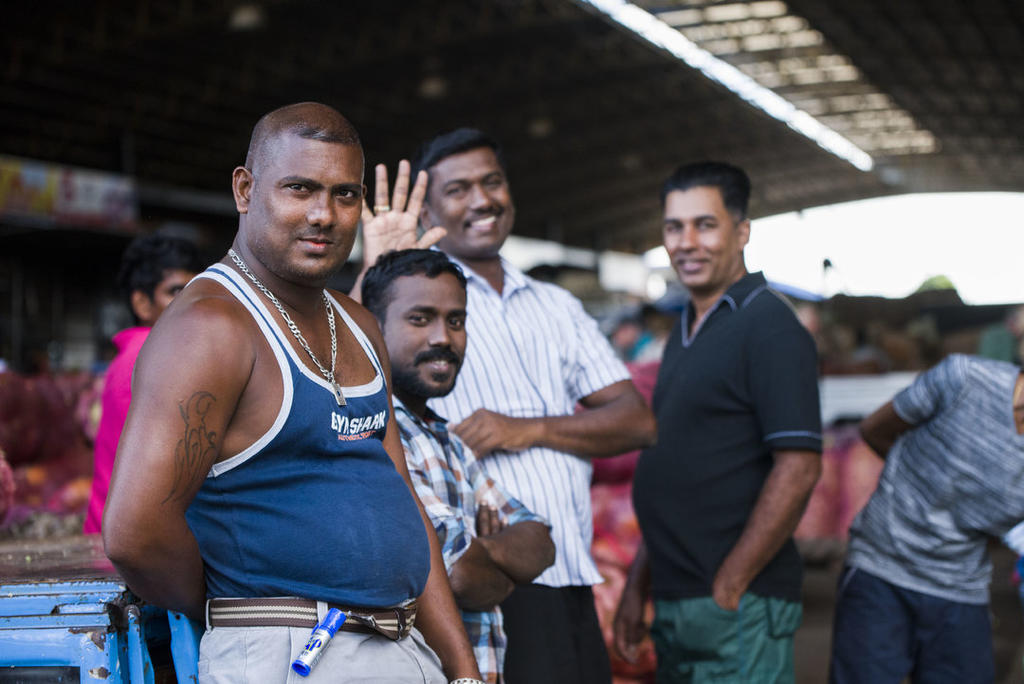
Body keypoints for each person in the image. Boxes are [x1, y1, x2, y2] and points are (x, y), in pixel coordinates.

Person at [102, 103, 483, 683]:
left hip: (399, 645)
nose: (323, 215)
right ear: (245, 189)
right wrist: (244, 612)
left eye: (345, 194)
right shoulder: (210, 329)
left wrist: (462, 670)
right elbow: (135, 532)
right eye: (299, 188)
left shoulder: (359, 325)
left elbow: (401, 499)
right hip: (293, 656)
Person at [355, 129, 657, 684]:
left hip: (568, 567)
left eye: (491, 182)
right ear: (429, 212)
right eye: (459, 189)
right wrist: (378, 269)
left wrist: (522, 429)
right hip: (480, 585)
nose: (480, 200)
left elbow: (636, 420)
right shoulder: (416, 296)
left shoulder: (557, 305)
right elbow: (346, 378)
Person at [614, 161, 823, 682]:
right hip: (676, 597)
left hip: (737, 605)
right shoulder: (688, 328)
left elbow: (798, 467)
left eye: (704, 225)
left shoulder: (768, 326)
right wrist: (638, 585)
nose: (686, 242)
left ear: (742, 230)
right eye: (673, 227)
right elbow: (673, 466)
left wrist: (731, 584)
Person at [361, 248, 556, 683]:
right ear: (372, 328)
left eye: (455, 320)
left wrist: (482, 553)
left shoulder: (446, 439)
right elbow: (461, 575)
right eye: (420, 319)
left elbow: (541, 540)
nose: (443, 338)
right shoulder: (370, 430)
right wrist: (494, 565)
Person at [830, 353, 1024, 683]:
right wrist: (914, 486)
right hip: (881, 566)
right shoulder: (964, 378)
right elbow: (875, 429)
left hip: (961, 585)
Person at [83, 233, 202, 535]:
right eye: (175, 290)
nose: (191, 301)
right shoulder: (152, 356)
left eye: (196, 288)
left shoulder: (140, 353)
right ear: (142, 303)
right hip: (131, 549)